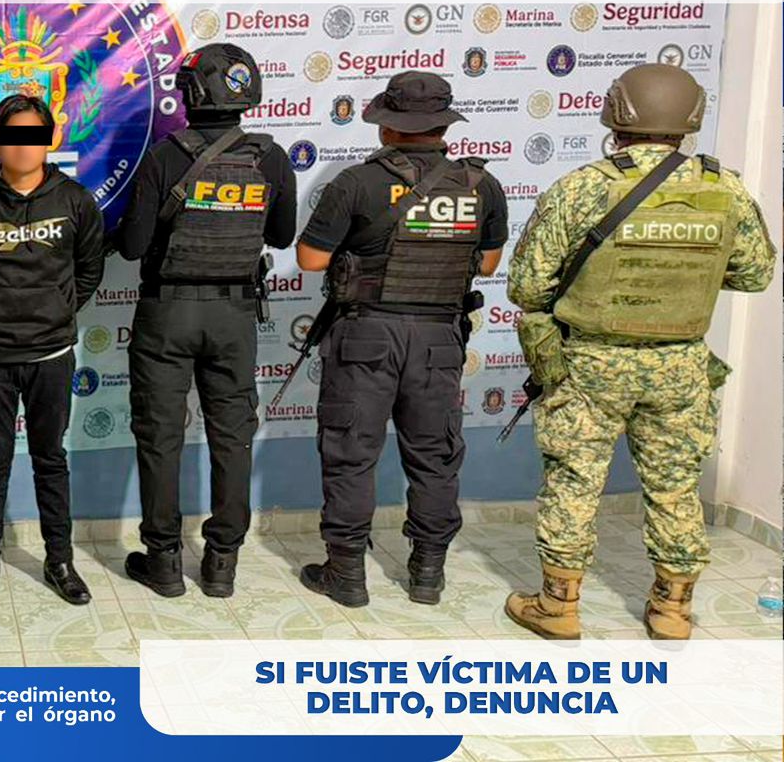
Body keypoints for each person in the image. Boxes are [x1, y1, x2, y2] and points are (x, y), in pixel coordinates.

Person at [504, 63, 776, 640]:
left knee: (574, 481)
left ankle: (558, 606)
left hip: (590, 365)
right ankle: (673, 610)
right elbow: (755, 274)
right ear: (690, 118)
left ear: (616, 113)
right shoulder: (725, 188)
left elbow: (527, 286)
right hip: (679, 365)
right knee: (676, 486)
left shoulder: (583, 187)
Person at [293, 70, 508, 608]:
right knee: (435, 455)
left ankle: (346, 573)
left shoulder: (356, 182)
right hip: (438, 339)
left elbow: (311, 259)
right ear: (444, 127)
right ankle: (428, 573)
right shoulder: (481, 185)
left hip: (367, 335)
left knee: (351, 452)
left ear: (387, 127)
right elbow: (487, 264)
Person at [111, 43, 298, 598]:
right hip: (234, 316)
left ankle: (164, 563)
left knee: (160, 437)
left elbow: (132, 247)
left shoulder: (164, 157)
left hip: (167, 312)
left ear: (191, 95)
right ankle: (221, 565)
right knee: (232, 438)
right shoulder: (271, 158)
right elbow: (281, 236)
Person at [0, 94, 106, 607]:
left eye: (33, 136)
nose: (23, 147)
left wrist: (57, 310)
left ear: (50, 140)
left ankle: (60, 561)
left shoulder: (75, 200)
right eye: (12, 136)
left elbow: (90, 269)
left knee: (50, 458)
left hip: (51, 353)